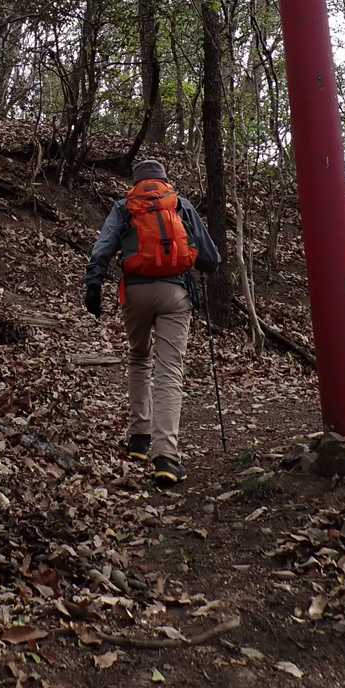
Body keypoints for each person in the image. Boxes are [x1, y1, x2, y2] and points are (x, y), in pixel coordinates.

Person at [84, 158, 220, 487]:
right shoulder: (180, 205)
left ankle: (139, 439)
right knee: (169, 370)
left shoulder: (125, 206)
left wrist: (93, 283)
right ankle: (166, 457)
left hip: (136, 293)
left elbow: (103, 247)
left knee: (139, 356)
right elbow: (211, 258)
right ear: (164, 180)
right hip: (175, 293)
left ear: (136, 182)